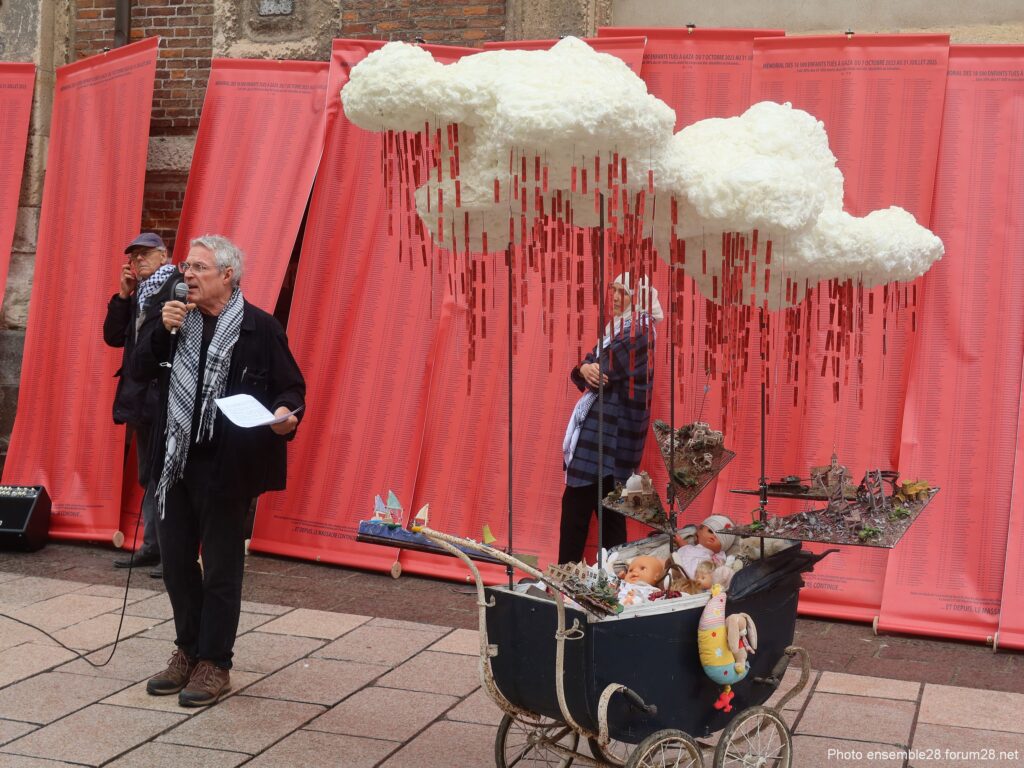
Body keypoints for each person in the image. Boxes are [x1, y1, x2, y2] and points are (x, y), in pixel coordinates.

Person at [132, 234, 305, 707]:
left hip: (228, 468)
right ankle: (187, 650)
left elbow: (291, 390)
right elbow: (138, 371)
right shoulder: (172, 320)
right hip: (175, 462)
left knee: (222, 570)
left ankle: (215, 662)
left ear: (227, 276)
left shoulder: (260, 329)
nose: (186, 275)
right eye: (185, 267)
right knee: (175, 564)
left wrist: (287, 417)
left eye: (199, 269)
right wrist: (158, 330)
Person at [559, 273, 663, 564]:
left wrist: (584, 368)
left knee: (579, 505)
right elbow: (587, 369)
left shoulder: (637, 329)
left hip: (609, 433)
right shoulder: (620, 327)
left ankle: (567, 577)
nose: (616, 298)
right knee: (608, 511)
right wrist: (584, 368)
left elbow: (599, 372)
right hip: (610, 435)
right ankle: (614, 580)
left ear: (639, 299)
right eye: (613, 289)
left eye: (624, 293)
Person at [103, 232, 182, 578]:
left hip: (167, 396)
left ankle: (173, 554)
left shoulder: (176, 287)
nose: (138, 262)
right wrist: (122, 295)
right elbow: (113, 336)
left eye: (145, 255)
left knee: (169, 476)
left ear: (163, 255)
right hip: (141, 399)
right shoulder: (139, 293)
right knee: (149, 473)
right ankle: (152, 547)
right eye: (134, 257)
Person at [673, 514, 737, 580]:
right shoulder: (690, 548)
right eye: (710, 531)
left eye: (721, 537)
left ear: (723, 547)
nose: (714, 536)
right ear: (698, 530)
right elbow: (685, 547)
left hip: (700, 580)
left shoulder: (718, 559)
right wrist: (679, 540)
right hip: (678, 571)